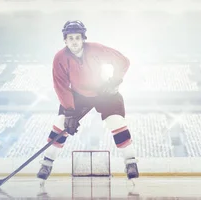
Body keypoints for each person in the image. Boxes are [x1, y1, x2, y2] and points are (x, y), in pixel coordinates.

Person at [37, 20, 138, 181]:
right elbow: (60, 86)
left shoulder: (96, 49)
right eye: (70, 38)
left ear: (83, 38)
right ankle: (46, 163)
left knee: (116, 121)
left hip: (104, 91)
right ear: (65, 40)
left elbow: (123, 61)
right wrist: (70, 110)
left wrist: (115, 81)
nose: (74, 41)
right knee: (62, 122)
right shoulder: (59, 58)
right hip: (78, 95)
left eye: (77, 37)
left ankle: (131, 162)